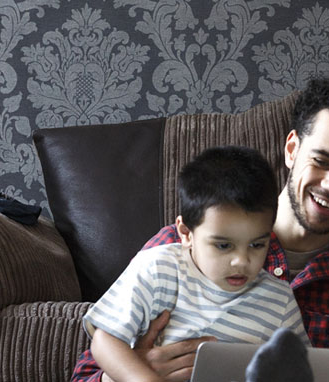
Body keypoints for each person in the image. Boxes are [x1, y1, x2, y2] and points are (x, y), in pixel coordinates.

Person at [71, 74, 329, 382]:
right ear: (292, 149)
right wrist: (129, 373)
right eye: (322, 161)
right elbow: (86, 370)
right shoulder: (180, 249)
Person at [82, 146, 309, 382]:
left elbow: (306, 370)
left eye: (257, 245)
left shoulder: (280, 300)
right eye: (223, 245)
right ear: (186, 233)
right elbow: (104, 340)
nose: (241, 261)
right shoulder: (157, 268)